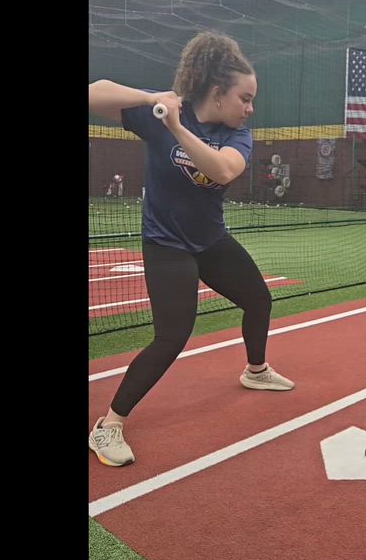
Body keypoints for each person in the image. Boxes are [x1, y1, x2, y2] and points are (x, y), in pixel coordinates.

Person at [87, 31, 295, 467]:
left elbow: (222, 171)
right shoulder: (160, 112)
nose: (250, 108)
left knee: (259, 299)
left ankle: (255, 371)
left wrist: (176, 128)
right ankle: (109, 424)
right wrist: (150, 99)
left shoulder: (237, 136)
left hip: (211, 242)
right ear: (217, 93)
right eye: (244, 98)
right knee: (172, 337)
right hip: (166, 246)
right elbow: (94, 93)